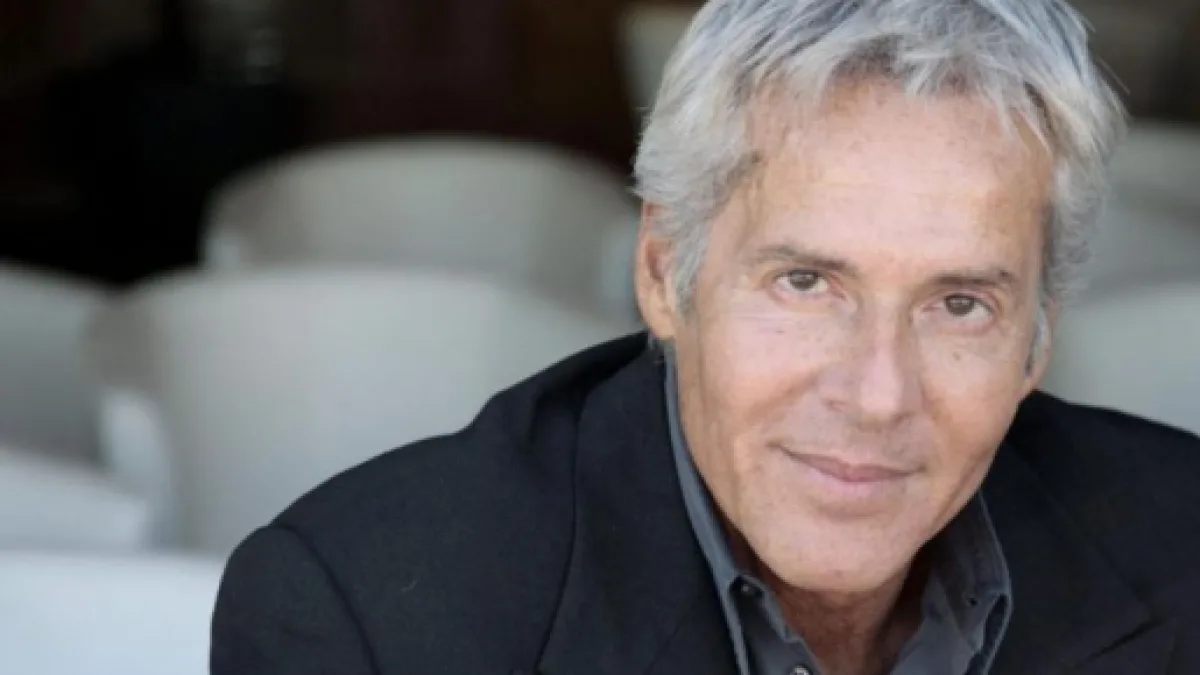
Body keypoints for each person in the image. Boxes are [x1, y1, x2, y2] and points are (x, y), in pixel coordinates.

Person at [210, 1, 1200, 673]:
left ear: (1037, 336)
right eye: (806, 283)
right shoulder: (370, 623)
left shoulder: (1182, 543)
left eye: (960, 304)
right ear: (662, 273)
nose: (877, 395)